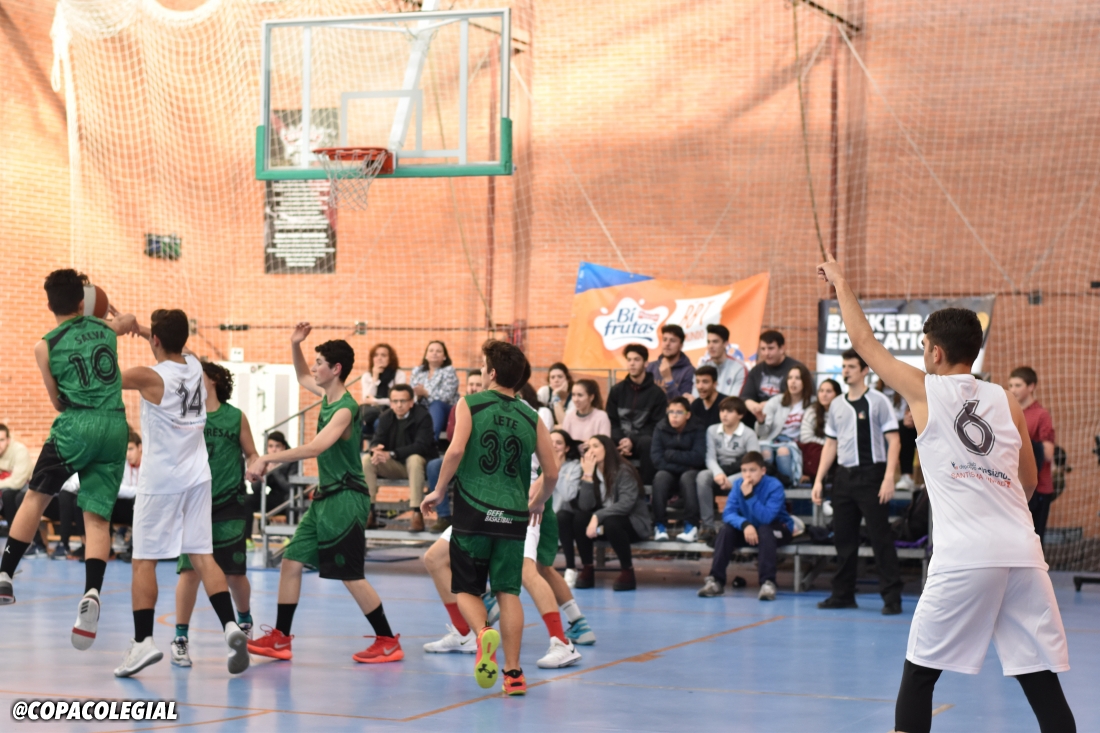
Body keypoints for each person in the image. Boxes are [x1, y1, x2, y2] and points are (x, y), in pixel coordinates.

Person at [817, 255, 1075, 733]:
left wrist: (840, 280)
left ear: (935, 353)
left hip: (965, 556)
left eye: (922, 347)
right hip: (1023, 553)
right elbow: (1027, 481)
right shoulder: (1007, 400)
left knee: (919, 673)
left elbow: (864, 342)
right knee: (1040, 679)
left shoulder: (927, 390)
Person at [246, 324, 403, 665]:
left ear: (336, 369)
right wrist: (295, 344)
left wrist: (268, 457)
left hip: (346, 498)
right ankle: (281, 639)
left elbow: (315, 447)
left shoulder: (346, 408)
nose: (315, 368)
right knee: (291, 562)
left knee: (349, 575)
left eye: (320, 363)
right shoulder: (326, 396)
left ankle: (388, 640)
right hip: (326, 498)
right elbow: (302, 374)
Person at [0, 270, 137, 653]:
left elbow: (57, 401)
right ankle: (92, 591)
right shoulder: (104, 327)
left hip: (76, 425)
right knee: (97, 518)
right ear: (82, 302)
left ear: (49, 305)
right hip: (115, 427)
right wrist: (118, 316)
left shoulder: (44, 346)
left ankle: (5, 574)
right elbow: (126, 321)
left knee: (36, 496)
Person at [420, 340, 559, 696]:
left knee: (466, 588)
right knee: (508, 591)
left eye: (483, 366)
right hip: (513, 514)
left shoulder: (471, 403)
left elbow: (455, 451)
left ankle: (483, 633)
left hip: (474, 509)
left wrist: (438, 490)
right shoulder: (532, 416)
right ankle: (514, 675)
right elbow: (552, 472)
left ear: (492, 373)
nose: (481, 371)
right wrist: (538, 501)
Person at [117, 309, 249, 677]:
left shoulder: (149, 376)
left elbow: (102, 375)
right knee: (203, 556)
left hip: (161, 481)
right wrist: (142, 329)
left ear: (156, 340)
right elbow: (172, 343)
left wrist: (115, 329)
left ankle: (143, 641)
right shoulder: (193, 365)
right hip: (198, 477)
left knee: (144, 560)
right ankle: (230, 625)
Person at [172, 362, 260, 667]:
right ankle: (180, 640)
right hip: (194, 503)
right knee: (189, 572)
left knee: (234, 573)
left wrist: (254, 465)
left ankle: (244, 622)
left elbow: (251, 452)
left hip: (229, 502)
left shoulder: (235, 417)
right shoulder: (186, 415)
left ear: (214, 380)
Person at [810, 349, 902, 614]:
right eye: (844, 366)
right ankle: (843, 594)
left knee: (879, 537)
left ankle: (892, 598)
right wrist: (819, 480)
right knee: (843, 538)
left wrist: (888, 478)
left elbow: (894, 441)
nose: (846, 371)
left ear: (864, 370)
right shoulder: (837, 404)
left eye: (851, 366)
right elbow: (830, 444)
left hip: (872, 475)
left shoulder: (878, 401)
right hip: (843, 476)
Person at [698, 452, 793, 600]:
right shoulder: (738, 485)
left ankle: (768, 583)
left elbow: (767, 518)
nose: (748, 475)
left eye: (752, 470)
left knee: (765, 530)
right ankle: (716, 581)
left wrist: (749, 496)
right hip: (750, 531)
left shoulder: (774, 486)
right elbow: (728, 513)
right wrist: (745, 524)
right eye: (744, 471)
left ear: (763, 471)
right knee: (726, 530)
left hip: (777, 530)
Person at [565, 434, 652, 591]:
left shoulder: (624, 470)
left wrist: (597, 516)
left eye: (596, 446)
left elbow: (626, 504)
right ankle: (587, 568)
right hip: (603, 526)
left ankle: (627, 571)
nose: (591, 451)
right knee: (580, 518)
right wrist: (587, 476)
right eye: (588, 448)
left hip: (631, 525)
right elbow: (585, 506)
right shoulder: (591, 471)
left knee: (612, 522)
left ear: (608, 449)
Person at [363, 384, 437, 532]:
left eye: (403, 401)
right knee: (367, 460)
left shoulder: (423, 416)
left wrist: (392, 454)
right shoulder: (385, 417)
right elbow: (377, 439)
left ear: (411, 402)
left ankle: (417, 514)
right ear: (390, 403)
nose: (399, 405)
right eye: (395, 401)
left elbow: (421, 446)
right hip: (395, 466)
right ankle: (369, 513)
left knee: (414, 458)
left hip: (419, 467)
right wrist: (376, 449)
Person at [426, 370, 483, 533]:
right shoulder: (458, 407)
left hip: (480, 460)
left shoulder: (488, 409)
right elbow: (452, 435)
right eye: (471, 384)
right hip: (461, 457)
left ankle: (473, 519)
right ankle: (444, 516)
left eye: (478, 385)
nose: (473, 388)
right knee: (434, 465)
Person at [696, 397, 761, 541]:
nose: (724, 414)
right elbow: (710, 458)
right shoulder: (712, 430)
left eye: (730, 411)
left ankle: (742, 525)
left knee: (749, 478)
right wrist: (719, 473)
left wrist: (731, 480)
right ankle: (707, 526)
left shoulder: (749, 433)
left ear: (740, 415)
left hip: (741, 474)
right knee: (702, 476)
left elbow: (753, 464)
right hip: (719, 472)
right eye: (722, 410)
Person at [605, 344, 668, 485]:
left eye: (636, 359)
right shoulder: (617, 390)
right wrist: (622, 440)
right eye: (629, 360)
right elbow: (611, 421)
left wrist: (632, 440)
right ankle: (606, 489)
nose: (632, 363)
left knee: (648, 443)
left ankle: (646, 489)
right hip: (619, 439)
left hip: (642, 442)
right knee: (602, 441)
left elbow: (656, 426)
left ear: (646, 363)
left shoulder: (657, 394)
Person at [1007, 366, 1056, 545]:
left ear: (1031, 386)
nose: (1013, 390)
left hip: (1038, 487)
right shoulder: (1008, 412)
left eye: (1018, 385)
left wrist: (1021, 440)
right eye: (1010, 385)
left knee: (1034, 542)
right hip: (1013, 486)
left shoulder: (1041, 415)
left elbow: (1048, 453)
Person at [650, 397, 707, 542]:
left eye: (679, 412)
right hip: (671, 471)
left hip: (690, 473)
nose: (674, 416)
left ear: (688, 415)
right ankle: (660, 525)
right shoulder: (660, 427)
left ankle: (691, 526)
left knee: (688, 478)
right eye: (671, 412)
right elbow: (657, 459)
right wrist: (684, 465)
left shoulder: (698, 428)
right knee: (660, 477)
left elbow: (698, 457)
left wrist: (670, 455)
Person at [756, 364, 814, 485]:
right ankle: (764, 487)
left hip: (794, 444)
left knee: (783, 451)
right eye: (790, 378)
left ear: (805, 381)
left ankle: (786, 485)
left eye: (797, 378)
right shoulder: (776, 401)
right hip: (771, 440)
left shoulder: (812, 403)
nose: (793, 382)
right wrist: (761, 422)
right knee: (765, 453)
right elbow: (761, 433)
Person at [743, 330, 809, 427]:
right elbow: (746, 397)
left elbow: (806, 395)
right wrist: (755, 407)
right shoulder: (756, 370)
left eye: (771, 348)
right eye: (763, 349)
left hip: (787, 418)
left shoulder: (796, 369)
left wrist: (769, 405)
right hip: (760, 418)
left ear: (782, 348)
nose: (766, 353)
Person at [550, 430, 587, 587]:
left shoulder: (574, 466)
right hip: (540, 514)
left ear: (566, 448)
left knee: (562, 517)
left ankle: (570, 567)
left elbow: (568, 495)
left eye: (559, 443)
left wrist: (556, 469)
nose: (554, 446)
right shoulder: (537, 465)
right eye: (550, 442)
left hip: (563, 514)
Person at [409, 340, 459, 439]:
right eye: (431, 350)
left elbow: (446, 397)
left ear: (444, 356)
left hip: (444, 411)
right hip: (422, 409)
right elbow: (411, 393)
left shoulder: (449, 371)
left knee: (436, 405)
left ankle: (431, 441)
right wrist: (418, 397)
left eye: (438, 351)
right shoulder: (417, 371)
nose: (434, 353)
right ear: (426, 355)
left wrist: (426, 393)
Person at [359, 343, 407, 439]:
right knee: (355, 425)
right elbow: (366, 399)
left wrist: (376, 401)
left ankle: (378, 447)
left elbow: (398, 400)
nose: (379, 358)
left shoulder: (398, 375)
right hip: (370, 415)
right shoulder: (367, 376)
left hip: (391, 413)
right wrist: (375, 378)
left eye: (383, 355)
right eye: (376, 355)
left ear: (390, 358)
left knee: (380, 422)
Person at [799, 379, 841, 483]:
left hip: (838, 449)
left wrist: (832, 447)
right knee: (815, 450)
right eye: (821, 391)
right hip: (818, 450)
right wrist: (828, 445)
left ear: (837, 394)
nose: (824, 395)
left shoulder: (842, 412)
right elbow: (805, 437)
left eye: (828, 391)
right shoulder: (811, 411)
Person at [694, 324, 749, 399]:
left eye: (715, 342)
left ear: (726, 344)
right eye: (708, 342)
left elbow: (734, 401)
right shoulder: (701, 367)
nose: (711, 346)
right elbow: (695, 398)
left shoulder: (739, 368)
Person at [250, 431, 294, 521]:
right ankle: (247, 531)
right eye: (270, 446)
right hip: (273, 498)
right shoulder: (265, 462)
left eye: (277, 446)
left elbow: (289, 488)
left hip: (287, 499)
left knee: (290, 499)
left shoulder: (292, 462)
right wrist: (264, 473)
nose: (274, 450)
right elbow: (255, 489)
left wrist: (275, 470)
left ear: (283, 447)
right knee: (248, 499)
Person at [645, 324, 695, 400]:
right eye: (664, 339)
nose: (667, 344)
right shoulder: (650, 367)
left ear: (681, 345)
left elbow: (683, 404)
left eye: (672, 341)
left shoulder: (689, 371)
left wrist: (668, 379)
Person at [537, 363, 574, 428]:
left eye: (560, 377)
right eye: (552, 377)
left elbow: (564, 424)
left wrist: (556, 396)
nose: (556, 380)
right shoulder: (544, 391)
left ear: (567, 379)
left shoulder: (574, 396)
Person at [0, 425, 32, 491]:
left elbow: (17, 482)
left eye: (1, 440)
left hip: (26, 486)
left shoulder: (20, 451)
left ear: (8, 440)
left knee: (7, 492)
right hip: (5, 485)